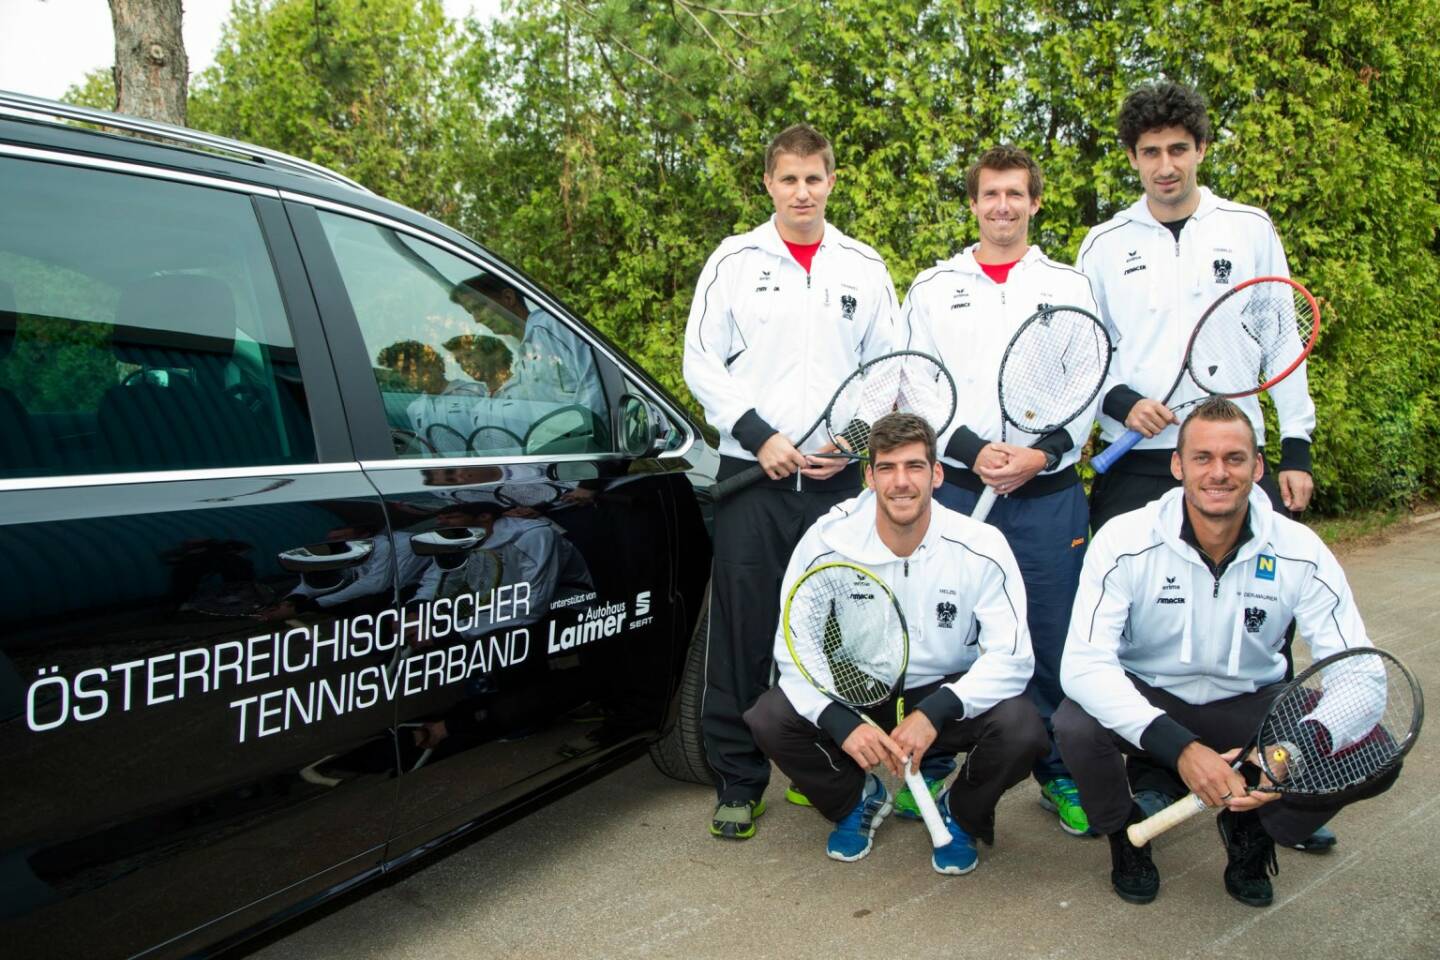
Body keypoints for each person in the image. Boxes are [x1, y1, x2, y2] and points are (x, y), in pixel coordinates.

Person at [1075, 81, 1331, 849]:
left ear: (1201, 151)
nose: (1164, 166)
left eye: (1177, 150)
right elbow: (1085, 357)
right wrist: (1124, 401)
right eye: (1149, 153)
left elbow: (1280, 342)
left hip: (1229, 456)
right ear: (1132, 159)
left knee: (1264, 616)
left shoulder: (1248, 229)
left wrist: (1296, 447)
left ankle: (1275, 787)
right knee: (1125, 624)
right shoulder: (1103, 244)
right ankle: (1150, 767)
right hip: (1142, 457)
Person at [1054, 398, 1394, 907]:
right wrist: (1181, 749)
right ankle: (1127, 836)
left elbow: (1361, 674)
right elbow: (1083, 665)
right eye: (1203, 458)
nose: (1219, 473)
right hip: (1154, 700)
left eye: (1235, 459)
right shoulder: (1124, 539)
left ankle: (1253, 830)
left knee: (1375, 754)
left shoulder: (1300, 548)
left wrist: (1288, 751)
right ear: (1178, 465)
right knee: (1075, 721)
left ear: (1257, 468)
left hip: (1253, 706)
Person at [682, 123, 898, 839]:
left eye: (814, 178)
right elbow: (700, 361)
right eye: (788, 179)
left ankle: (821, 769)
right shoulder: (735, 260)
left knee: (831, 635)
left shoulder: (863, 266)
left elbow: (889, 369)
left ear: (831, 182)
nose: (802, 192)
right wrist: (758, 436)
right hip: (754, 477)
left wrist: (854, 442)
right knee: (742, 637)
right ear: (768, 184)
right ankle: (739, 782)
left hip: (836, 486)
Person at [901, 145, 1103, 837]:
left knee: (1051, 638)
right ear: (973, 203)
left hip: (1047, 498)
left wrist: (1039, 452)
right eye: (991, 194)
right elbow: (917, 384)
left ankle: (1058, 772)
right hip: (958, 492)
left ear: (1035, 201)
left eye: (1015, 194)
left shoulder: (1071, 285)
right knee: (949, 634)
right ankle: (929, 763)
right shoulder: (932, 288)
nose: (1003, 206)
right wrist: (970, 450)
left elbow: (1091, 384)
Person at [744, 413, 1046, 872]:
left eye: (914, 466)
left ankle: (961, 814)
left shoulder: (982, 545)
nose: (900, 482)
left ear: (937, 474)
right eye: (886, 468)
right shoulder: (828, 538)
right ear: (868, 476)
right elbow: (794, 647)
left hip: (942, 693)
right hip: (861, 688)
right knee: (769, 715)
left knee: (1022, 727)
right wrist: (839, 720)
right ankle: (855, 800)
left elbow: (1013, 657)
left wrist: (938, 711)